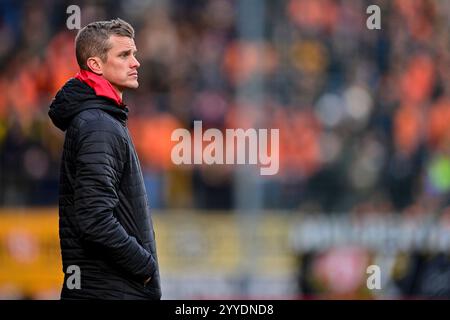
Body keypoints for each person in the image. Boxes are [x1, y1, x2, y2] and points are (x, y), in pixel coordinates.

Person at [48, 18, 161, 300]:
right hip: (109, 291)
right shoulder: (98, 124)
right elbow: (94, 219)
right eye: (124, 55)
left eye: (134, 53)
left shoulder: (102, 118)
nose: (135, 63)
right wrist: (144, 266)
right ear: (96, 65)